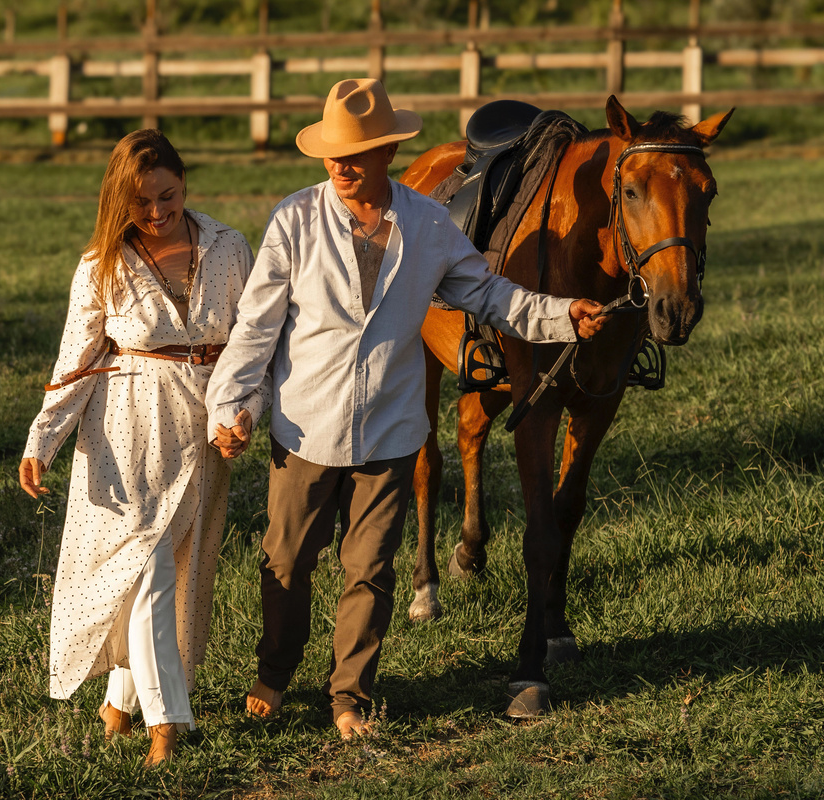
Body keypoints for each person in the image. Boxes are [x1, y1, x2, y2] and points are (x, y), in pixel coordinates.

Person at [206, 78, 606, 740]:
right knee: (287, 560)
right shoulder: (295, 220)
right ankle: (274, 674)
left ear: (388, 152)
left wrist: (565, 314)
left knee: (370, 572)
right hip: (304, 428)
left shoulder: (426, 225)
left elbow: (494, 297)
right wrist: (234, 404)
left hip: (389, 434)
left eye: (357, 152)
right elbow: (256, 327)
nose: (342, 164)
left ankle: (349, 696)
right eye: (334, 153)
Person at [19, 129, 267, 766]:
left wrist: (241, 415)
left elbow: (251, 347)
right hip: (126, 429)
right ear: (116, 200)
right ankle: (167, 723)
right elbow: (75, 361)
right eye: (141, 201)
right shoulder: (101, 266)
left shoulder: (228, 246)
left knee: (173, 573)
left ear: (185, 183)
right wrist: (41, 441)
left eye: (168, 195)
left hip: (204, 427)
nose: (157, 212)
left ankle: (118, 702)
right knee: (149, 568)